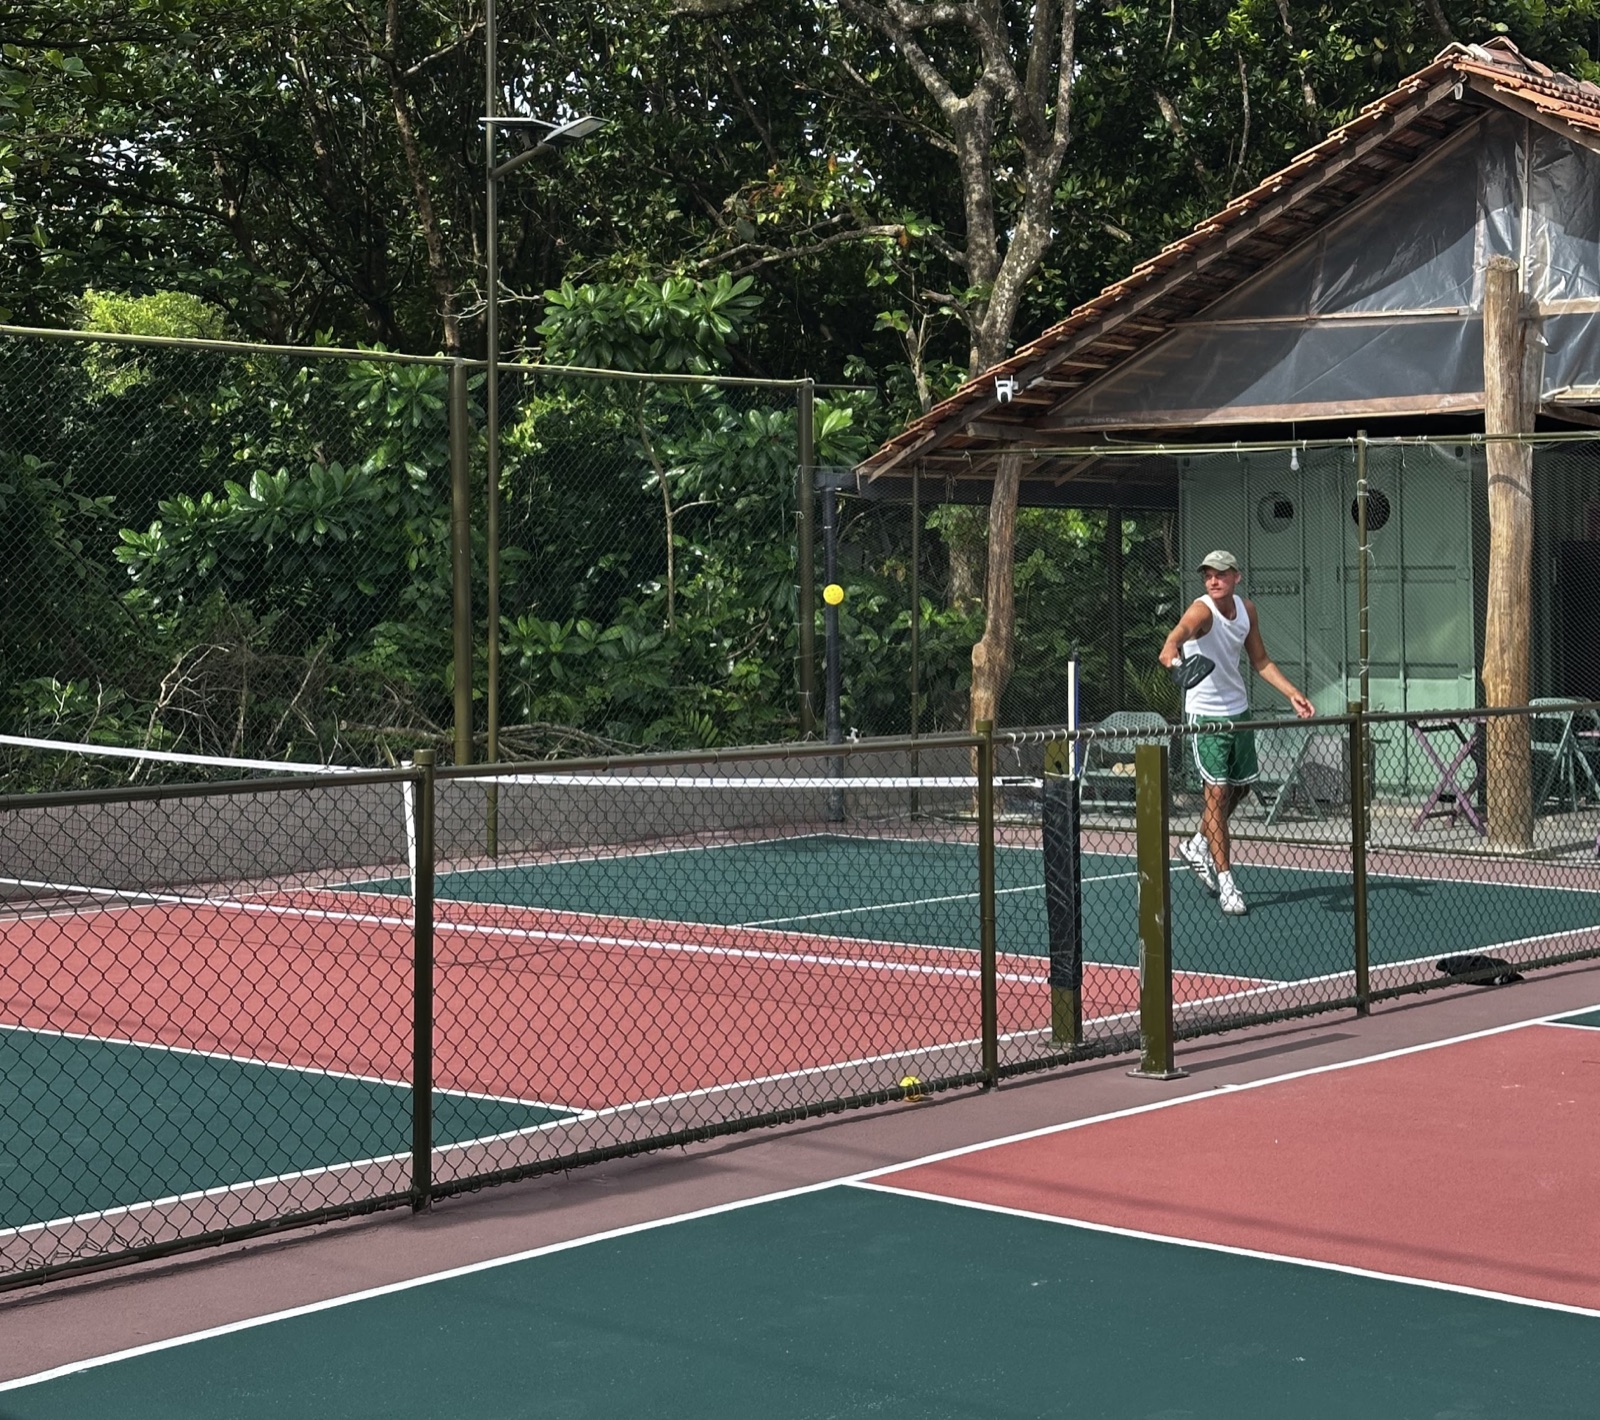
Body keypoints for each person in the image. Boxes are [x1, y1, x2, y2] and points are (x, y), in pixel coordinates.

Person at [1159, 550, 1314, 915]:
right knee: (1216, 792)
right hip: (1206, 717)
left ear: (1236, 577)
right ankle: (1228, 882)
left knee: (1241, 788)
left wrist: (1292, 693)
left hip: (1238, 711)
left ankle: (1199, 842)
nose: (1213, 580)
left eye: (1221, 574)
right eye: (1208, 575)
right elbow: (1174, 638)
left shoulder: (1247, 611)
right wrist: (1174, 659)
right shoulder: (1201, 610)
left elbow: (1260, 660)